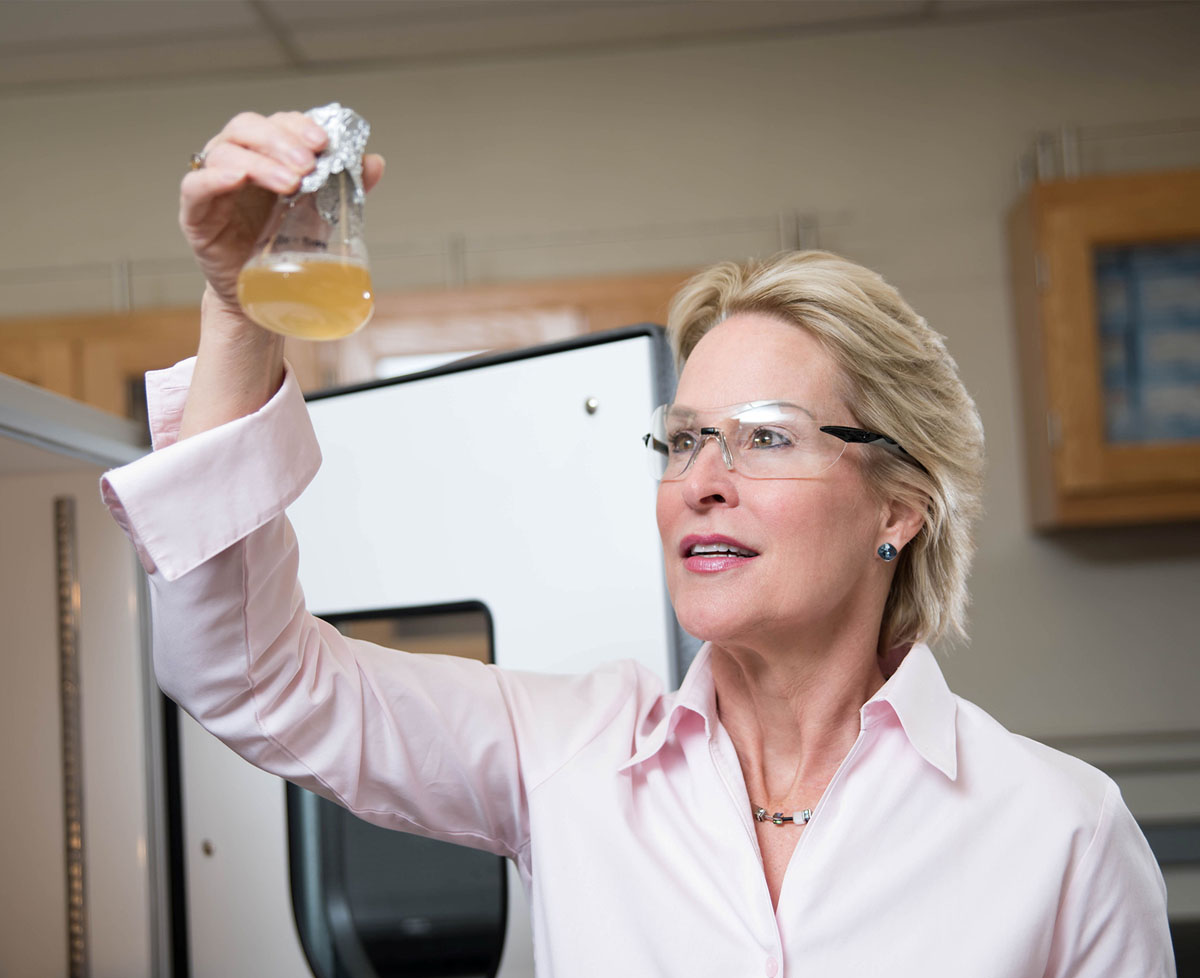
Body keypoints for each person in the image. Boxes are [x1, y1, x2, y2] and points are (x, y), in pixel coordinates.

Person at [101, 111, 1175, 976]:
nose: (701, 482)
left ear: (900, 506)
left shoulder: (1059, 833)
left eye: (763, 438)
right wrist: (241, 310)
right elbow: (250, 680)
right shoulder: (568, 757)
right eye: (684, 439)